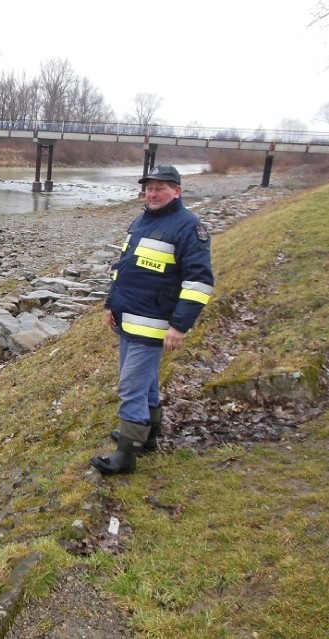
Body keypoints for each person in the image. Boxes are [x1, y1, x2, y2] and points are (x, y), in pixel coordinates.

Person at [91, 164, 214, 475]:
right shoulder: (141, 221)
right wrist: (110, 304)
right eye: (149, 187)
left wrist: (180, 326)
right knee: (145, 384)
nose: (153, 193)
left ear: (177, 191)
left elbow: (199, 282)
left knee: (130, 387)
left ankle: (126, 455)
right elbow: (123, 268)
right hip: (128, 319)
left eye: (161, 187)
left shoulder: (188, 228)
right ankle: (147, 436)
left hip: (154, 324)